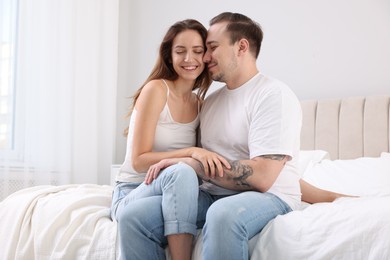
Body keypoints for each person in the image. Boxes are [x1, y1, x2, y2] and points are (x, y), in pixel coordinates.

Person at [113, 14, 352, 260]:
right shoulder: (209, 104)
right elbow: (203, 164)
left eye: (211, 48)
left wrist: (331, 197)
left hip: (269, 197)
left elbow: (265, 175)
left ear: (241, 47)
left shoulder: (273, 95)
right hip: (211, 194)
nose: (204, 57)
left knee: (223, 214)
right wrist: (192, 161)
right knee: (135, 217)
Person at [110, 19, 229, 260]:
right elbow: (139, 161)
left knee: (188, 176)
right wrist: (191, 152)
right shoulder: (156, 90)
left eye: (197, 51)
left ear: (206, 56)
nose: (189, 59)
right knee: (182, 170)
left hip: (172, 195)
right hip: (134, 190)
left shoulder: (200, 105)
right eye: (180, 51)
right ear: (169, 55)